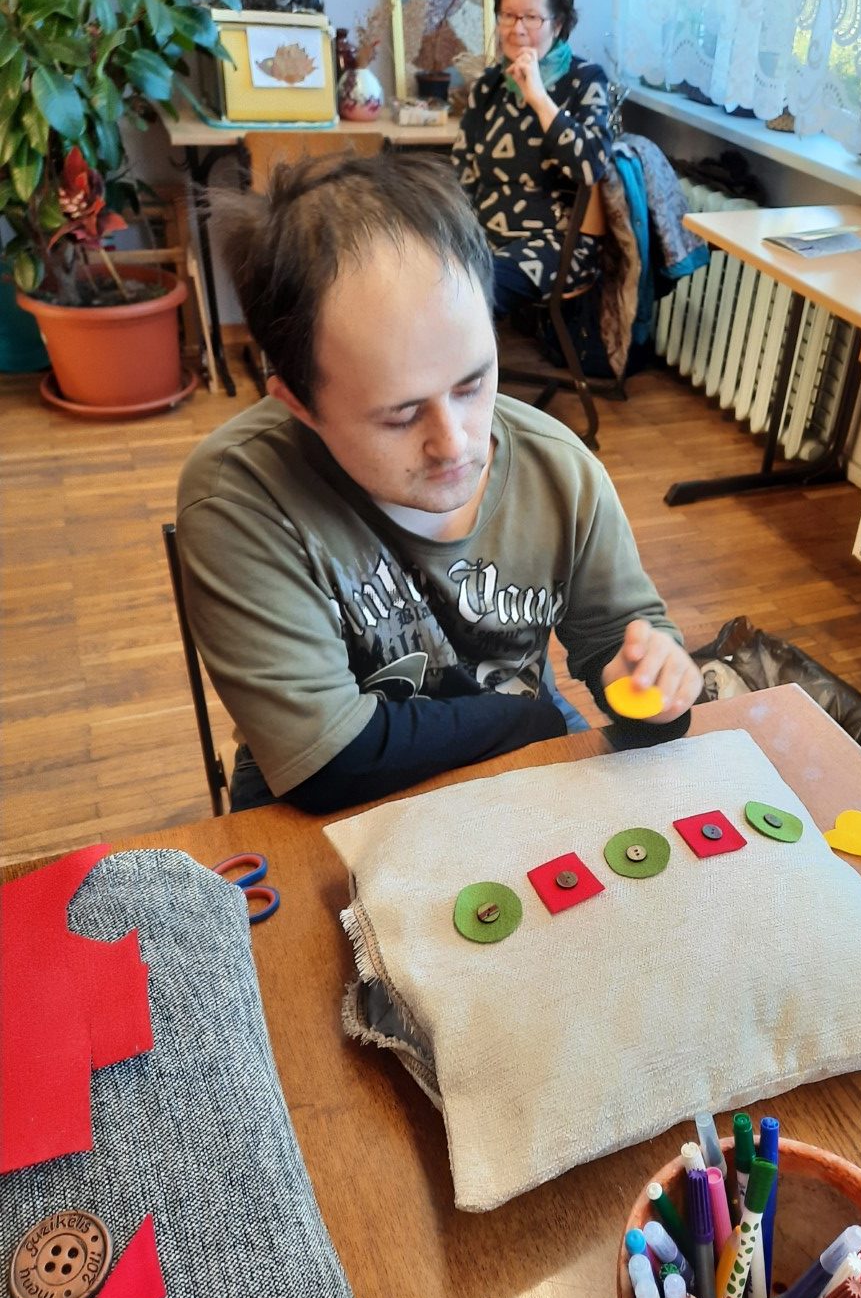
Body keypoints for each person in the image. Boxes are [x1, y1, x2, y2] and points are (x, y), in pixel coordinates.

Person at [176, 152, 701, 814]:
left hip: (508, 745)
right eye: (399, 416)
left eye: (473, 383)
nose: (455, 444)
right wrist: (531, 719)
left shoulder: (561, 472)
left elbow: (622, 641)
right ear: (299, 405)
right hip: (338, 784)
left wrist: (656, 686)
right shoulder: (240, 495)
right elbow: (328, 763)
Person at [451, 0, 610, 317]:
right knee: (425, 280)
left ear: (558, 23)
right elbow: (461, 174)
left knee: (466, 298)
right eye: (508, 15)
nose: (517, 29)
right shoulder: (488, 87)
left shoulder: (585, 81)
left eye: (532, 18)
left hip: (556, 244)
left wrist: (538, 97)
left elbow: (591, 166)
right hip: (484, 238)